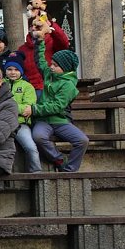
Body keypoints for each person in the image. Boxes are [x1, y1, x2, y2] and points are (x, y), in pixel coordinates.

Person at [26, 43, 88, 172]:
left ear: (65, 68)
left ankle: (70, 169)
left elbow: (57, 106)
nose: (51, 67)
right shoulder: (49, 74)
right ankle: (58, 159)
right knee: (38, 136)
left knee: (82, 140)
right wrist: (40, 40)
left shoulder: (68, 85)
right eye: (52, 63)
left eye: (55, 65)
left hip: (60, 121)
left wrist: (34, 109)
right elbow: (40, 61)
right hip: (43, 120)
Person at [4, 54, 41, 173]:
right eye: (9, 69)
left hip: (20, 124)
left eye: (16, 69)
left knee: (31, 147)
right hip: (2, 122)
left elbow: (27, 107)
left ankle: (37, 173)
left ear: (21, 71)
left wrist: (9, 105)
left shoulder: (27, 87)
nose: (13, 72)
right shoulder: (0, 85)